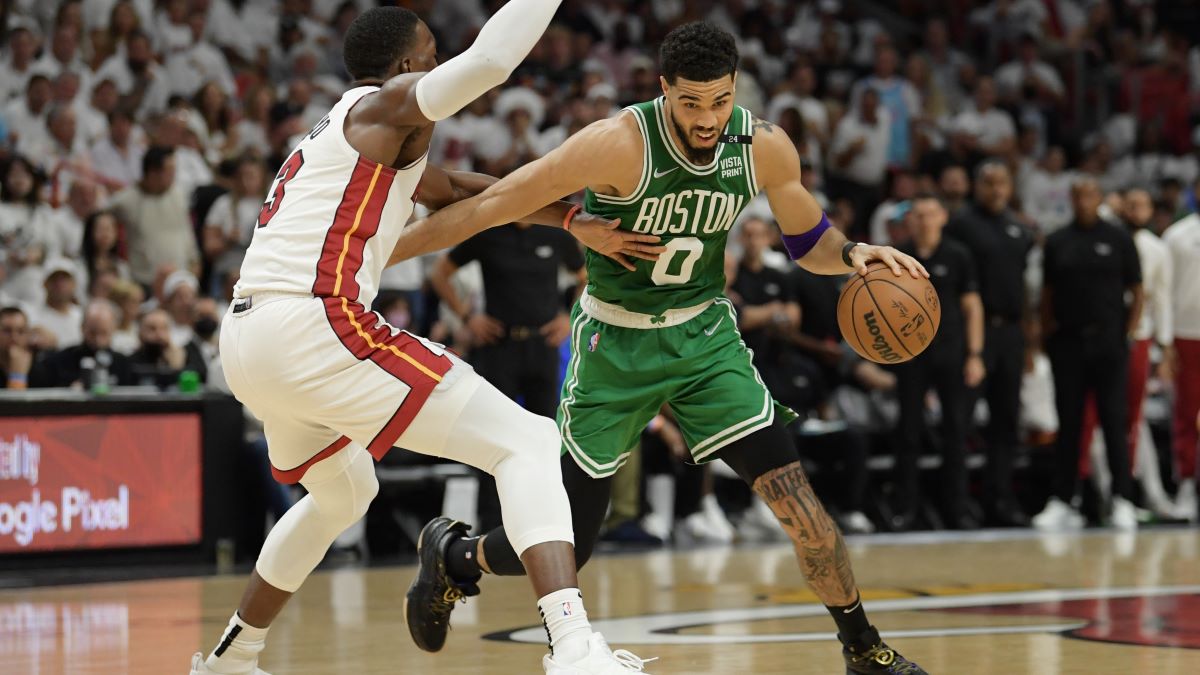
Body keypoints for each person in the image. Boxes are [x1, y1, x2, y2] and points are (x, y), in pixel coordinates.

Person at [395, 22, 930, 674]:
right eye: (691, 102)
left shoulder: (763, 146)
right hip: (614, 344)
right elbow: (501, 200)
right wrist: (376, 258)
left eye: (721, 100)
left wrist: (852, 255)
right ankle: (454, 556)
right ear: (663, 90)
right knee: (573, 542)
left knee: (799, 503)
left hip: (704, 339)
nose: (708, 118)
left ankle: (862, 647)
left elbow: (806, 238)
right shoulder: (617, 143)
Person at [189, 6, 656, 675]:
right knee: (528, 441)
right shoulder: (386, 106)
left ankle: (232, 659)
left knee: (344, 494)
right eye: (433, 54)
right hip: (311, 323)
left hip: (248, 340)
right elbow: (491, 63)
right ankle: (576, 647)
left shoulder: (349, 137)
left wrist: (571, 219)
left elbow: (463, 191)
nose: (438, 66)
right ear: (408, 66)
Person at [430, 221, 587, 532]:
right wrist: (467, 316)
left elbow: (586, 278)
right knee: (493, 435)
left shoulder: (555, 234)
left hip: (542, 345)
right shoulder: (489, 233)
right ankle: (491, 525)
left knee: (545, 435)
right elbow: (439, 273)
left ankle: (545, 522)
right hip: (498, 347)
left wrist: (568, 316)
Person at [1036, 178, 1143, 530]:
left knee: (1115, 422)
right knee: (1068, 423)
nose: (1083, 201)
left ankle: (1123, 499)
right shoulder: (1058, 241)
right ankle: (1064, 500)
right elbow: (1046, 293)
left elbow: (1138, 290)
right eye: (1078, 195)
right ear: (1071, 199)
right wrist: (1046, 332)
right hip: (1068, 343)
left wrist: (1129, 331)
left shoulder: (1118, 238)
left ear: (1099, 198)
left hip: (1110, 343)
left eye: (1090, 195)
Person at [944, 161, 1033, 526]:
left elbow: (1024, 287)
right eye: (989, 183)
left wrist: (1030, 339)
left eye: (1002, 183)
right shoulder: (961, 225)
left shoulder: (1020, 228)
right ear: (977, 186)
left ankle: (1001, 500)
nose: (996, 190)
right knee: (961, 424)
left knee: (1006, 422)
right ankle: (959, 504)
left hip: (1011, 332)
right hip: (972, 336)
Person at [891, 194, 985, 531]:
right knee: (908, 433)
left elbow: (973, 306)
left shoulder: (958, 254)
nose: (924, 220)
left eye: (930, 214)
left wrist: (975, 354)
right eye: (918, 214)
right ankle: (905, 509)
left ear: (943, 217)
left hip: (952, 353)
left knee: (956, 432)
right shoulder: (898, 256)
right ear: (910, 220)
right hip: (910, 354)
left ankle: (956, 509)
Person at [1164, 203, 1200, 521]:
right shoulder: (1177, 235)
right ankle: (1187, 483)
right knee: (1187, 413)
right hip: (1187, 334)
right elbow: (1164, 291)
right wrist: (1166, 341)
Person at [29, 299, 135, 389]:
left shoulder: (123, 364)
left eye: (103, 333)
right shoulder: (59, 361)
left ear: (114, 329)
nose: (97, 340)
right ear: (82, 328)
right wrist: (69, 391)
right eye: (92, 332)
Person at [0, 307, 34, 390]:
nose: (14, 337)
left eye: (21, 331)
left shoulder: (41, 369)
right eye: (7, 331)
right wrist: (17, 377)